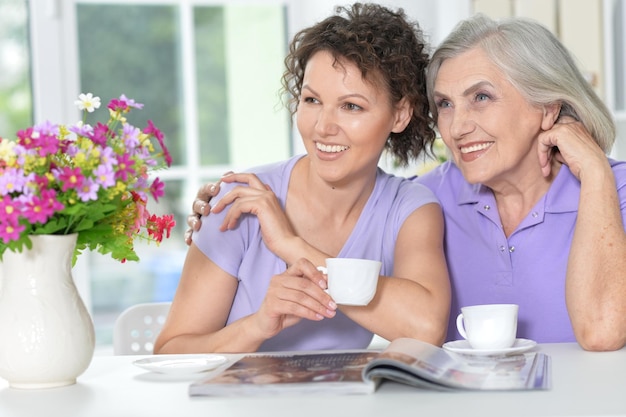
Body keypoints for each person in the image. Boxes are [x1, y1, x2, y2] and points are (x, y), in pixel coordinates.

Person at [186, 13, 626, 351]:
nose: (458, 126)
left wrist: (595, 174)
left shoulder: (617, 191)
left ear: (548, 108)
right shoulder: (430, 199)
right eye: (446, 104)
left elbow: (603, 332)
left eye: (482, 97)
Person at [154, 3, 451, 355]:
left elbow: (426, 328)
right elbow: (171, 352)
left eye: (351, 106)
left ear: (399, 114)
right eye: (312, 100)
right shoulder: (242, 201)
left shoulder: (411, 210)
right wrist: (257, 325)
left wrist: (292, 247)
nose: (323, 126)